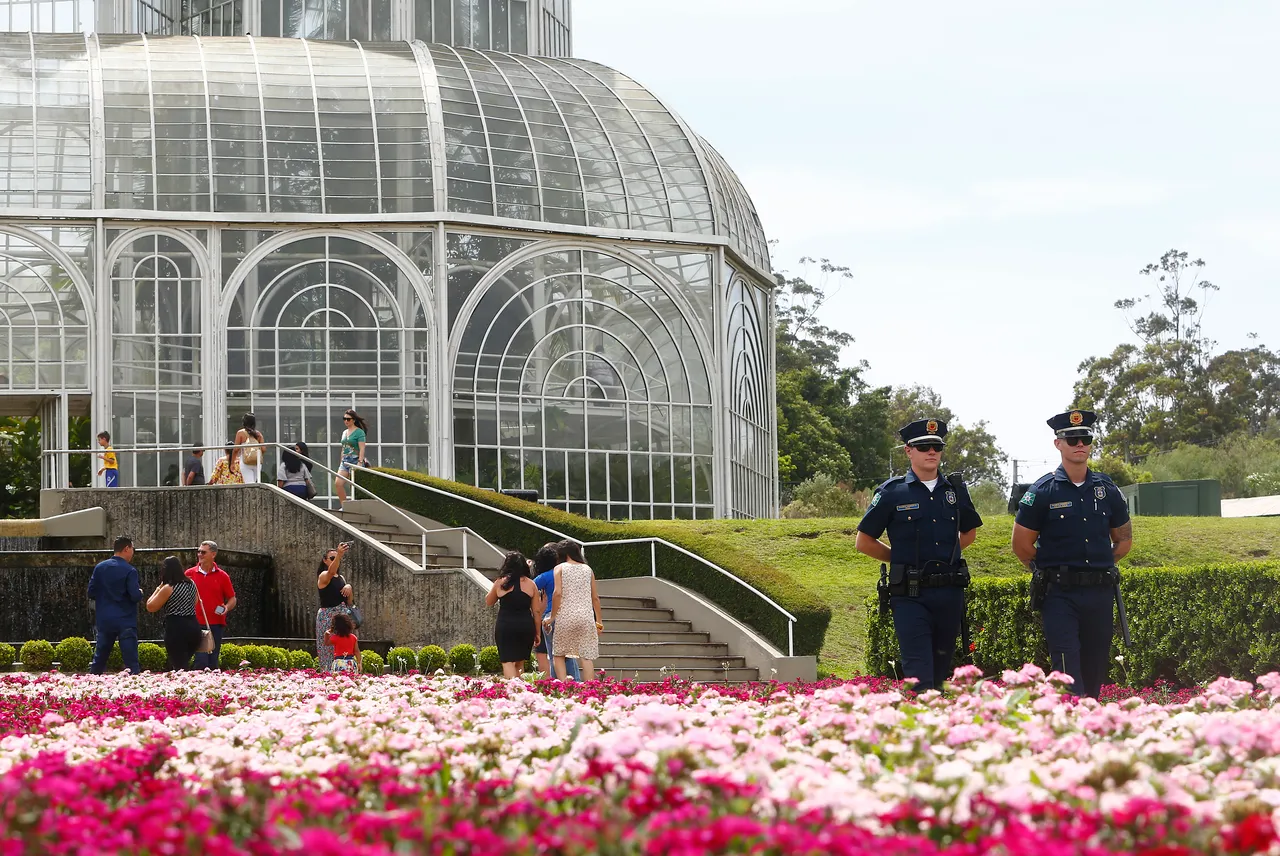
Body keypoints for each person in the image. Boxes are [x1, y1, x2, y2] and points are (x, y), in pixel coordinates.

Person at [1012, 409, 1133, 699]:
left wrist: (1097, 564)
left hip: (1100, 594)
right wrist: (1049, 571)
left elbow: (1124, 539)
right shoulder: (1042, 491)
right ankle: (1068, 726)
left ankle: (1089, 727)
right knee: (1065, 669)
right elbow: (1022, 546)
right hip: (1060, 595)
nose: (1080, 444)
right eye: (1072, 439)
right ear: (1059, 444)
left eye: (1085, 438)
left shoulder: (1107, 489)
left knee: (1094, 668)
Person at [855, 419, 983, 692]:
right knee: (918, 674)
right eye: (923, 446)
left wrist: (948, 559)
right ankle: (919, 729)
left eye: (936, 446)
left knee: (939, 674)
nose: (931, 452)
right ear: (908, 451)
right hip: (911, 596)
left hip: (949, 593)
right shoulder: (892, 492)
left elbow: (969, 534)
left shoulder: (954, 491)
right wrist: (900, 559)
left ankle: (936, 729)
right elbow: (864, 541)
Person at [547, 540, 602, 681]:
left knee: (559, 654)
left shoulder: (559, 568)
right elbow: (595, 598)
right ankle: (589, 688)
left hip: (565, 617)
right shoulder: (587, 569)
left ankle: (565, 687)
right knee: (586, 656)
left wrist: (552, 617)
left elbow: (557, 593)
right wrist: (599, 621)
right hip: (586, 617)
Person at [88, 536, 142, 674]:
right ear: (126, 548)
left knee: (100, 658)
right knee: (131, 661)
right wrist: (140, 592)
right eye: (132, 549)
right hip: (125, 620)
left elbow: (91, 592)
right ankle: (135, 688)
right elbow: (135, 596)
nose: (133, 553)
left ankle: (90, 686)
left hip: (105, 619)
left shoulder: (100, 568)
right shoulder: (130, 570)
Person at [485, 551, 541, 678]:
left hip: (506, 625)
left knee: (507, 661)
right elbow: (536, 611)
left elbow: (489, 601)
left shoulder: (501, 582)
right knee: (519, 663)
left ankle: (511, 692)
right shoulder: (531, 584)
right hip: (525, 626)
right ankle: (520, 692)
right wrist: (537, 633)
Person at [532, 542, 581, 680]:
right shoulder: (572, 574)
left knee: (554, 654)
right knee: (570, 655)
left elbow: (530, 587)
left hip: (552, 617)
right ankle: (575, 682)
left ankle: (559, 683)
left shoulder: (546, 576)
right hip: (572, 615)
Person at [145, 555, 203, 671]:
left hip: (177, 629)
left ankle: (184, 687)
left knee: (179, 667)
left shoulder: (169, 587)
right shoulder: (191, 583)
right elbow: (195, 601)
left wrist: (158, 589)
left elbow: (150, 606)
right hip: (194, 628)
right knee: (184, 663)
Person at [186, 540, 237, 669]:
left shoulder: (223, 576)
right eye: (198, 552)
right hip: (195, 622)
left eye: (203, 552)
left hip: (216, 623)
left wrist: (226, 607)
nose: (199, 554)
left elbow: (232, 598)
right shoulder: (189, 574)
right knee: (200, 661)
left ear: (213, 554)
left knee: (213, 661)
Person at [316, 542, 354, 671]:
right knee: (328, 648)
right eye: (332, 558)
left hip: (343, 617)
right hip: (328, 617)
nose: (335, 559)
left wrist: (349, 587)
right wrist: (339, 554)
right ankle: (327, 673)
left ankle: (346, 673)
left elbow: (349, 600)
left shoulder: (341, 578)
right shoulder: (323, 575)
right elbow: (331, 572)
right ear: (325, 561)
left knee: (345, 647)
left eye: (336, 557)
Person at [335, 409, 368, 506]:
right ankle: (344, 506)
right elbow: (343, 447)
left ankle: (354, 507)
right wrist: (341, 460)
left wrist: (360, 462)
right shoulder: (344, 432)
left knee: (353, 487)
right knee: (338, 483)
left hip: (355, 460)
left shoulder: (359, 432)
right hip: (345, 461)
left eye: (348, 419)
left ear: (353, 420)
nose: (346, 421)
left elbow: (362, 448)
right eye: (344, 419)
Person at [235, 413, 266, 485]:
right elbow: (263, 449)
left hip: (245, 461)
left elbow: (236, 449)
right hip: (257, 462)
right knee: (255, 483)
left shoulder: (240, 433)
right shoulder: (258, 434)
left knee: (249, 484)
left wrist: (232, 461)